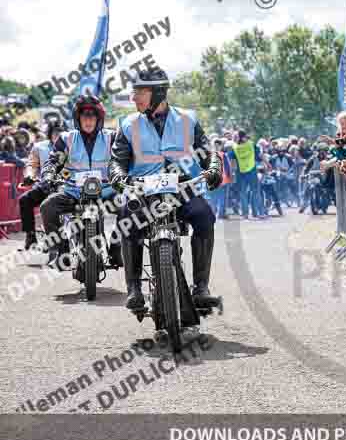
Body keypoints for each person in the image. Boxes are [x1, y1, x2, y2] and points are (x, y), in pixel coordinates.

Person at [108, 69, 222, 311]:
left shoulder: (188, 119)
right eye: (134, 92)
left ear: (158, 93)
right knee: (127, 218)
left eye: (140, 92)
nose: (134, 97)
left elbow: (208, 150)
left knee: (204, 216)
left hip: (181, 188)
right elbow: (117, 160)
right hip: (143, 191)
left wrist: (213, 167)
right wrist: (117, 175)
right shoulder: (127, 124)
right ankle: (134, 289)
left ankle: (201, 288)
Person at [39, 95, 122, 268]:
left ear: (99, 118)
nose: (88, 120)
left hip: (106, 191)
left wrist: (123, 176)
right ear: (78, 119)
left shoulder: (112, 138)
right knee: (47, 207)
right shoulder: (66, 138)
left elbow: (122, 161)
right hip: (74, 192)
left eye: (92, 116)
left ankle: (116, 248)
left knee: (130, 206)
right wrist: (48, 175)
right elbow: (53, 161)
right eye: (84, 116)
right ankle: (62, 250)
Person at [18, 121, 63, 250]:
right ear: (49, 134)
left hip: (67, 186)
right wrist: (29, 176)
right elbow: (32, 165)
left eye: (61, 132)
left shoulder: (72, 146)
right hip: (45, 185)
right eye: (55, 132)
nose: (58, 135)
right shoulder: (39, 147)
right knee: (24, 200)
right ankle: (30, 235)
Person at [229, 130, 265, 220]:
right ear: (244, 137)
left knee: (243, 193)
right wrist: (267, 163)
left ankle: (245, 214)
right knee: (255, 192)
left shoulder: (234, 147)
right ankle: (260, 213)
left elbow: (232, 161)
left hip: (240, 172)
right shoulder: (251, 144)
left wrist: (232, 172)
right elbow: (259, 155)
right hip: (252, 171)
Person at [209, 138, 233, 219]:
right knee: (222, 198)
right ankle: (220, 214)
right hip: (222, 180)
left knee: (213, 198)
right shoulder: (223, 155)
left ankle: (212, 214)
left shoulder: (209, 154)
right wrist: (230, 177)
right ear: (220, 146)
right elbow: (227, 167)